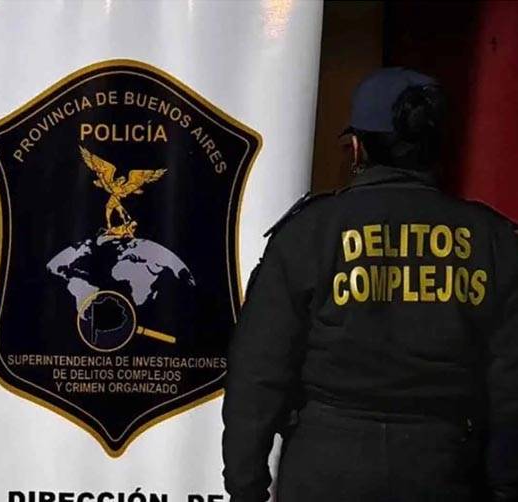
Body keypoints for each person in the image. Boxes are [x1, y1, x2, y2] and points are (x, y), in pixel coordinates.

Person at [222, 67, 518, 502]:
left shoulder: (309, 232)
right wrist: (506, 486)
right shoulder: (493, 240)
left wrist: (245, 486)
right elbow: (509, 383)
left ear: (358, 146)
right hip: (444, 468)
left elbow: (258, 371)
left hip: (325, 469)